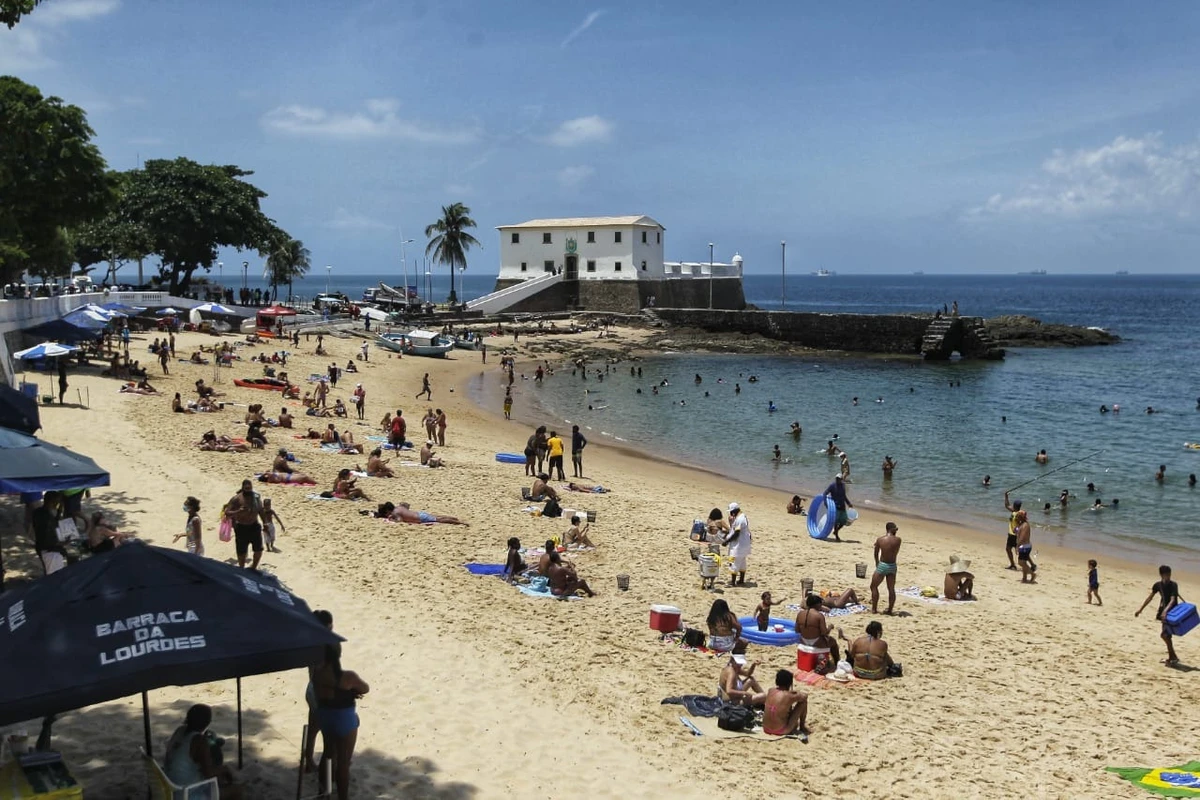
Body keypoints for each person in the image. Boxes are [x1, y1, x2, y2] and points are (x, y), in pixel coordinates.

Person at [313, 644, 369, 800]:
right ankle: (342, 797)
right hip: (343, 720)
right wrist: (352, 691)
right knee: (343, 762)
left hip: (325, 717)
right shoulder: (348, 677)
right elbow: (365, 688)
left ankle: (322, 793)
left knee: (328, 754)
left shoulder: (317, 675)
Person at [163, 704, 243, 799]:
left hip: (170, 787)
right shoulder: (199, 740)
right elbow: (209, 773)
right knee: (237, 790)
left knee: (220, 779)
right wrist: (224, 769)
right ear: (207, 722)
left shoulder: (180, 730)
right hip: (186, 793)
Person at [1136, 565, 1183, 665]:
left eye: (1169, 574)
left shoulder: (1173, 585)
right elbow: (1150, 598)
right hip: (1163, 612)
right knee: (1166, 635)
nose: (1169, 576)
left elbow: (1173, 599)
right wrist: (1140, 609)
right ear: (1161, 575)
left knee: (1165, 635)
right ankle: (1172, 657)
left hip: (1172, 612)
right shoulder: (1158, 585)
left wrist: (1166, 611)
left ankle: (1173, 657)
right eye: (1167, 575)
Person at [225, 479, 269, 570]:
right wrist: (238, 511)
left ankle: (253, 567)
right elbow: (227, 512)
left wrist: (265, 523)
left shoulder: (256, 498)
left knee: (258, 550)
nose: (248, 490)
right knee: (241, 552)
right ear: (243, 488)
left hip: (254, 526)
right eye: (246, 488)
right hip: (241, 528)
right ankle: (242, 568)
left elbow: (261, 511)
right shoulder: (236, 499)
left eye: (250, 488)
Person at [762, 670, 809, 740]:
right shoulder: (789, 696)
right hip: (780, 730)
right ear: (789, 683)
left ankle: (800, 726)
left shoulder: (770, 690)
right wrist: (795, 692)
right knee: (803, 702)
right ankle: (802, 727)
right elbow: (805, 696)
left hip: (766, 728)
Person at [796, 593, 841, 664]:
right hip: (816, 642)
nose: (821, 605)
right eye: (820, 603)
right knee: (833, 642)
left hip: (803, 640)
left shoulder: (800, 614)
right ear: (817, 604)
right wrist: (830, 627)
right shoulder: (819, 616)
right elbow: (824, 632)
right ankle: (836, 661)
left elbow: (797, 630)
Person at [31, 491, 68, 574]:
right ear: (53, 502)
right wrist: (61, 543)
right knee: (54, 575)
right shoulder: (47, 518)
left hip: (41, 546)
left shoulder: (38, 512)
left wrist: (59, 511)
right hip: (50, 550)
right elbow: (48, 536)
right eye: (56, 502)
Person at [870, 522, 902, 614]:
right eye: (895, 529)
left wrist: (877, 563)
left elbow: (876, 553)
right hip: (892, 566)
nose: (896, 531)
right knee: (891, 589)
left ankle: (874, 609)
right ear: (891, 529)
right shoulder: (898, 540)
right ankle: (890, 610)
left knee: (873, 586)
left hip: (883, 565)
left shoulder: (880, 540)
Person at [724, 502, 752, 587]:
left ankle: (732, 583)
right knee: (742, 562)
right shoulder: (743, 516)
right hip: (744, 544)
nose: (731, 514)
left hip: (738, 546)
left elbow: (736, 533)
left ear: (734, 511)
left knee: (733, 562)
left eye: (731, 512)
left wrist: (727, 541)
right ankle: (741, 580)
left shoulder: (740, 519)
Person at [821, 474, 854, 541]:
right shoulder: (832, 486)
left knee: (843, 522)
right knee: (836, 522)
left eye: (839, 479)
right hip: (835, 506)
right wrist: (825, 502)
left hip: (842, 506)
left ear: (841, 479)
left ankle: (836, 531)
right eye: (836, 478)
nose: (837, 480)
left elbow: (844, 496)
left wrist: (848, 503)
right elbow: (825, 493)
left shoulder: (843, 486)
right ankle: (836, 536)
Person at [387, 502, 469, 526]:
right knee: (437, 517)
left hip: (420, 518)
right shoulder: (399, 507)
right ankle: (454, 518)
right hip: (419, 513)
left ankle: (460, 522)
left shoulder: (395, 512)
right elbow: (406, 505)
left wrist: (392, 519)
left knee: (439, 520)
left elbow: (400, 521)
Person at [1015, 510, 1036, 583]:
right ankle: (1024, 578)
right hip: (1024, 546)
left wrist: (1017, 546)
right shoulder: (1022, 524)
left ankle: (1032, 574)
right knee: (1023, 562)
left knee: (1021, 562)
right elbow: (1017, 532)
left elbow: (1022, 537)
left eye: (1018, 516)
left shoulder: (1025, 525)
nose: (1017, 517)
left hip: (1025, 546)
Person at [1003, 491, 1022, 570]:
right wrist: (1006, 496)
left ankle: (1017, 565)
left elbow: (1020, 525)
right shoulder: (1015, 512)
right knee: (1009, 549)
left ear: (1014, 506)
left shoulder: (1019, 514)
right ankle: (1013, 564)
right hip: (1012, 535)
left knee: (1015, 550)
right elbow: (1007, 505)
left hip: (1014, 535)